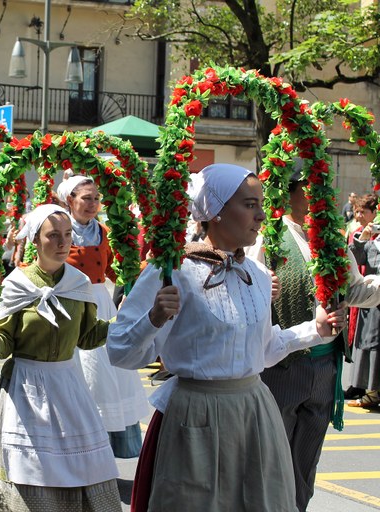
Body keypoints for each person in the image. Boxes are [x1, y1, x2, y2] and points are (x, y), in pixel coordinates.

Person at [107, 163, 345, 512]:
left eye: (261, 205)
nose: (261, 215)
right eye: (249, 205)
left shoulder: (258, 275)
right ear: (215, 211)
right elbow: (119, 351)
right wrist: (153, 319)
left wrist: (316, 330)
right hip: (196, 414)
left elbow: (264, 352)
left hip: (253, 413)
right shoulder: (174, 270)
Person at [247, 177, 380, 512]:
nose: (319, 196)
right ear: (289, 194)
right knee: (270, 461)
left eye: (322, 188)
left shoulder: (331, 239)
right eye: (309, 189)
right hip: (282, 365)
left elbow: (355, 290)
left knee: (305, 464)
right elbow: (249, 291)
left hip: (325, 368)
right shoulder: (269, 237)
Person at [0, 204, 120, 512]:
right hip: (25, 388)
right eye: (53, 235)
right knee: (31, 469)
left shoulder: (79, 283)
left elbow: (87, 337)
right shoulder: (17, 283)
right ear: (35, 240)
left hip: (67, 386)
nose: (62, 242)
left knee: (82, 466)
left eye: (67, 235)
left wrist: (120, 323)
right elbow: (5, 344)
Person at [56, 175, 149, 458]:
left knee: (105, 374)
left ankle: (104, 448)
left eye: (96, 198)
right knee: (79, 373)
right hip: (69, 303)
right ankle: (77, 447)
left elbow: (111, 270)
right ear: (69, 200)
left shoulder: (103, 231)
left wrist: (140, 271)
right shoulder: (59, 229)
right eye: (86, 198)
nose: (93, 204)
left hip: (99, 304)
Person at [345, 204, 380, 408]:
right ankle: (372, 393)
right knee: (371, 344)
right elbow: (354, 259)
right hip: (373, 302)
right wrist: (363, 238)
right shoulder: (372, 244)